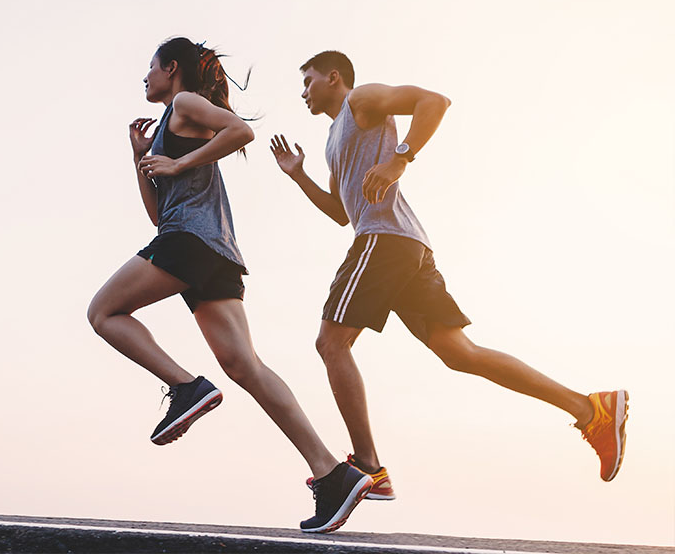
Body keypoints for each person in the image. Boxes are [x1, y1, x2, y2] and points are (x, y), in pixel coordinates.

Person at [269, 50, 628, 499]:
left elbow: (434, 101)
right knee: (460, 353)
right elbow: (341, 213)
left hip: (384, 240)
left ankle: (369, 468)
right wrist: (299, 176)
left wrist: (401, 159)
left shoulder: (362, 100)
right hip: (403, 244)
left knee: (330, 342)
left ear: (333, 77)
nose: (303, 92)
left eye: (307, 81)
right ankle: (590, 409)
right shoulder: (333, 139)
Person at [87, 37, 371, 533]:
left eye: (150, 68)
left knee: (103, 313)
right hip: (209, 251)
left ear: (171, 69)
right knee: (247, 366)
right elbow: (160, 214)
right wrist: (142, 159)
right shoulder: (165, 129)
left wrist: (177, 162)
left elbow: (240, 132)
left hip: (192, 245)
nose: (145, 78)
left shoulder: (185, 102)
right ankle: (332, 474)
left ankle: (185, 387)